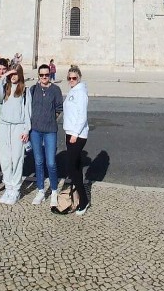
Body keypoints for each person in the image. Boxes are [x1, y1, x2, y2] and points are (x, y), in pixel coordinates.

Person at [0, 64, 32, 205]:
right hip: (4, 126)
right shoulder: (5, 88)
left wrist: (26, 130)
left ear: (20, 74)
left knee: (17, 158)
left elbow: (28, 112)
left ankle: (15, 189)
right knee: (5, 158)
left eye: (15, 74)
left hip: (18, 127)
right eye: (11, 74)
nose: (13, 77)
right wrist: (3, 77)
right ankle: (8, 186)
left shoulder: (25, 90)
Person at [30, 63, 63, 207]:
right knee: (38, 162)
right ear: (38, 75)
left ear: (50, 75)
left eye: (47, 75)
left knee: (51, 162)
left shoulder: (55, 89)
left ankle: (54, 191)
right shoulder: (33, 89)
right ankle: (41, 190)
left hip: (50, 130)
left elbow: (59, 109)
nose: (44, 77)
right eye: (42, 75)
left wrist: (51, 119)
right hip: (35, 130)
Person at [63, 65, 90, 215]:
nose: (71, 80)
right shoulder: (73, 91)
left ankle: (84, 201)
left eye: (74, 78)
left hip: (77, 135)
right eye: (69, 78)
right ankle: (78, 197)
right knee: (77, 167)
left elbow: (82, 116)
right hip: (70, 133)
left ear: (79, 78)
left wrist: (74, 134)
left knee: (71, 168)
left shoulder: (81, 93)